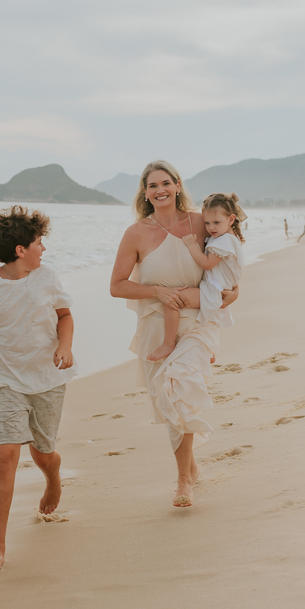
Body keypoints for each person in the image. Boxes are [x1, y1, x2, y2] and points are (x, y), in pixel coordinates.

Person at [0, 206, 75, 575]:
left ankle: (53, 478)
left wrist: (64, 347)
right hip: (4, 379)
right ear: (20, 249)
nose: (44, 249)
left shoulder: (47, 277)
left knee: (42, 453)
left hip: (47, 379)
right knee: (4, 454)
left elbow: (65, 315)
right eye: (39, 243)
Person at [109, 162, 237, 508]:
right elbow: (117, 286)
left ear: (178, 186)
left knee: (178, 387)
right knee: (168, 402)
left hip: (197, 320)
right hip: (155, 325)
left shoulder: (200, 222)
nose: (160, 190)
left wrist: (234, 291)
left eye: (166, 183)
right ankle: (190, 466)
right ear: (145, 192)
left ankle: (183, 481)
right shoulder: (136, 233)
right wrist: (156, 291)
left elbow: (228, 257)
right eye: (153, 185)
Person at [147, 192, 246, 362]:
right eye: (206, 223)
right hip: (217, 288)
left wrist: (191, 245)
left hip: (213, 290)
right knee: (206, 319)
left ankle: (168, 344)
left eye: (216, 222)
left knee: (172, 300)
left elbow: (207, 263)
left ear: (231, 219)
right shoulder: (227, 238)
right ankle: (209, 352)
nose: (211, 227)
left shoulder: (224, 242)